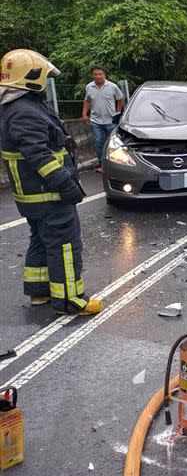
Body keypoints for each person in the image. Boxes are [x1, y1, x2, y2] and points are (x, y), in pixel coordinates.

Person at [0, 49, 103, 315]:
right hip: (48, 194)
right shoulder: (24, 111)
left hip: (34, 197)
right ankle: (70, 299)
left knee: (41, 240)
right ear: (31, 77)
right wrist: (65, 184)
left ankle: (39, 292)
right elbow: (39, 156)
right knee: (65, 245)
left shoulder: (17, 107)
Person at [82, 64, 124, 173]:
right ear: (92, 75)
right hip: (96, 121)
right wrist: (84, 114)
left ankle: (117, 165)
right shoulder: (89, 87)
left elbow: (120, 99)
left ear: (104, 75)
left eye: (100, 74)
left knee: (114, 143)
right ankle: (102, 165)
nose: (98, 76)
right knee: (99, 143)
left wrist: (118, 113)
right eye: (95, 74)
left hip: (111, 121)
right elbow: (87, 101)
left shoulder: (112, 86)